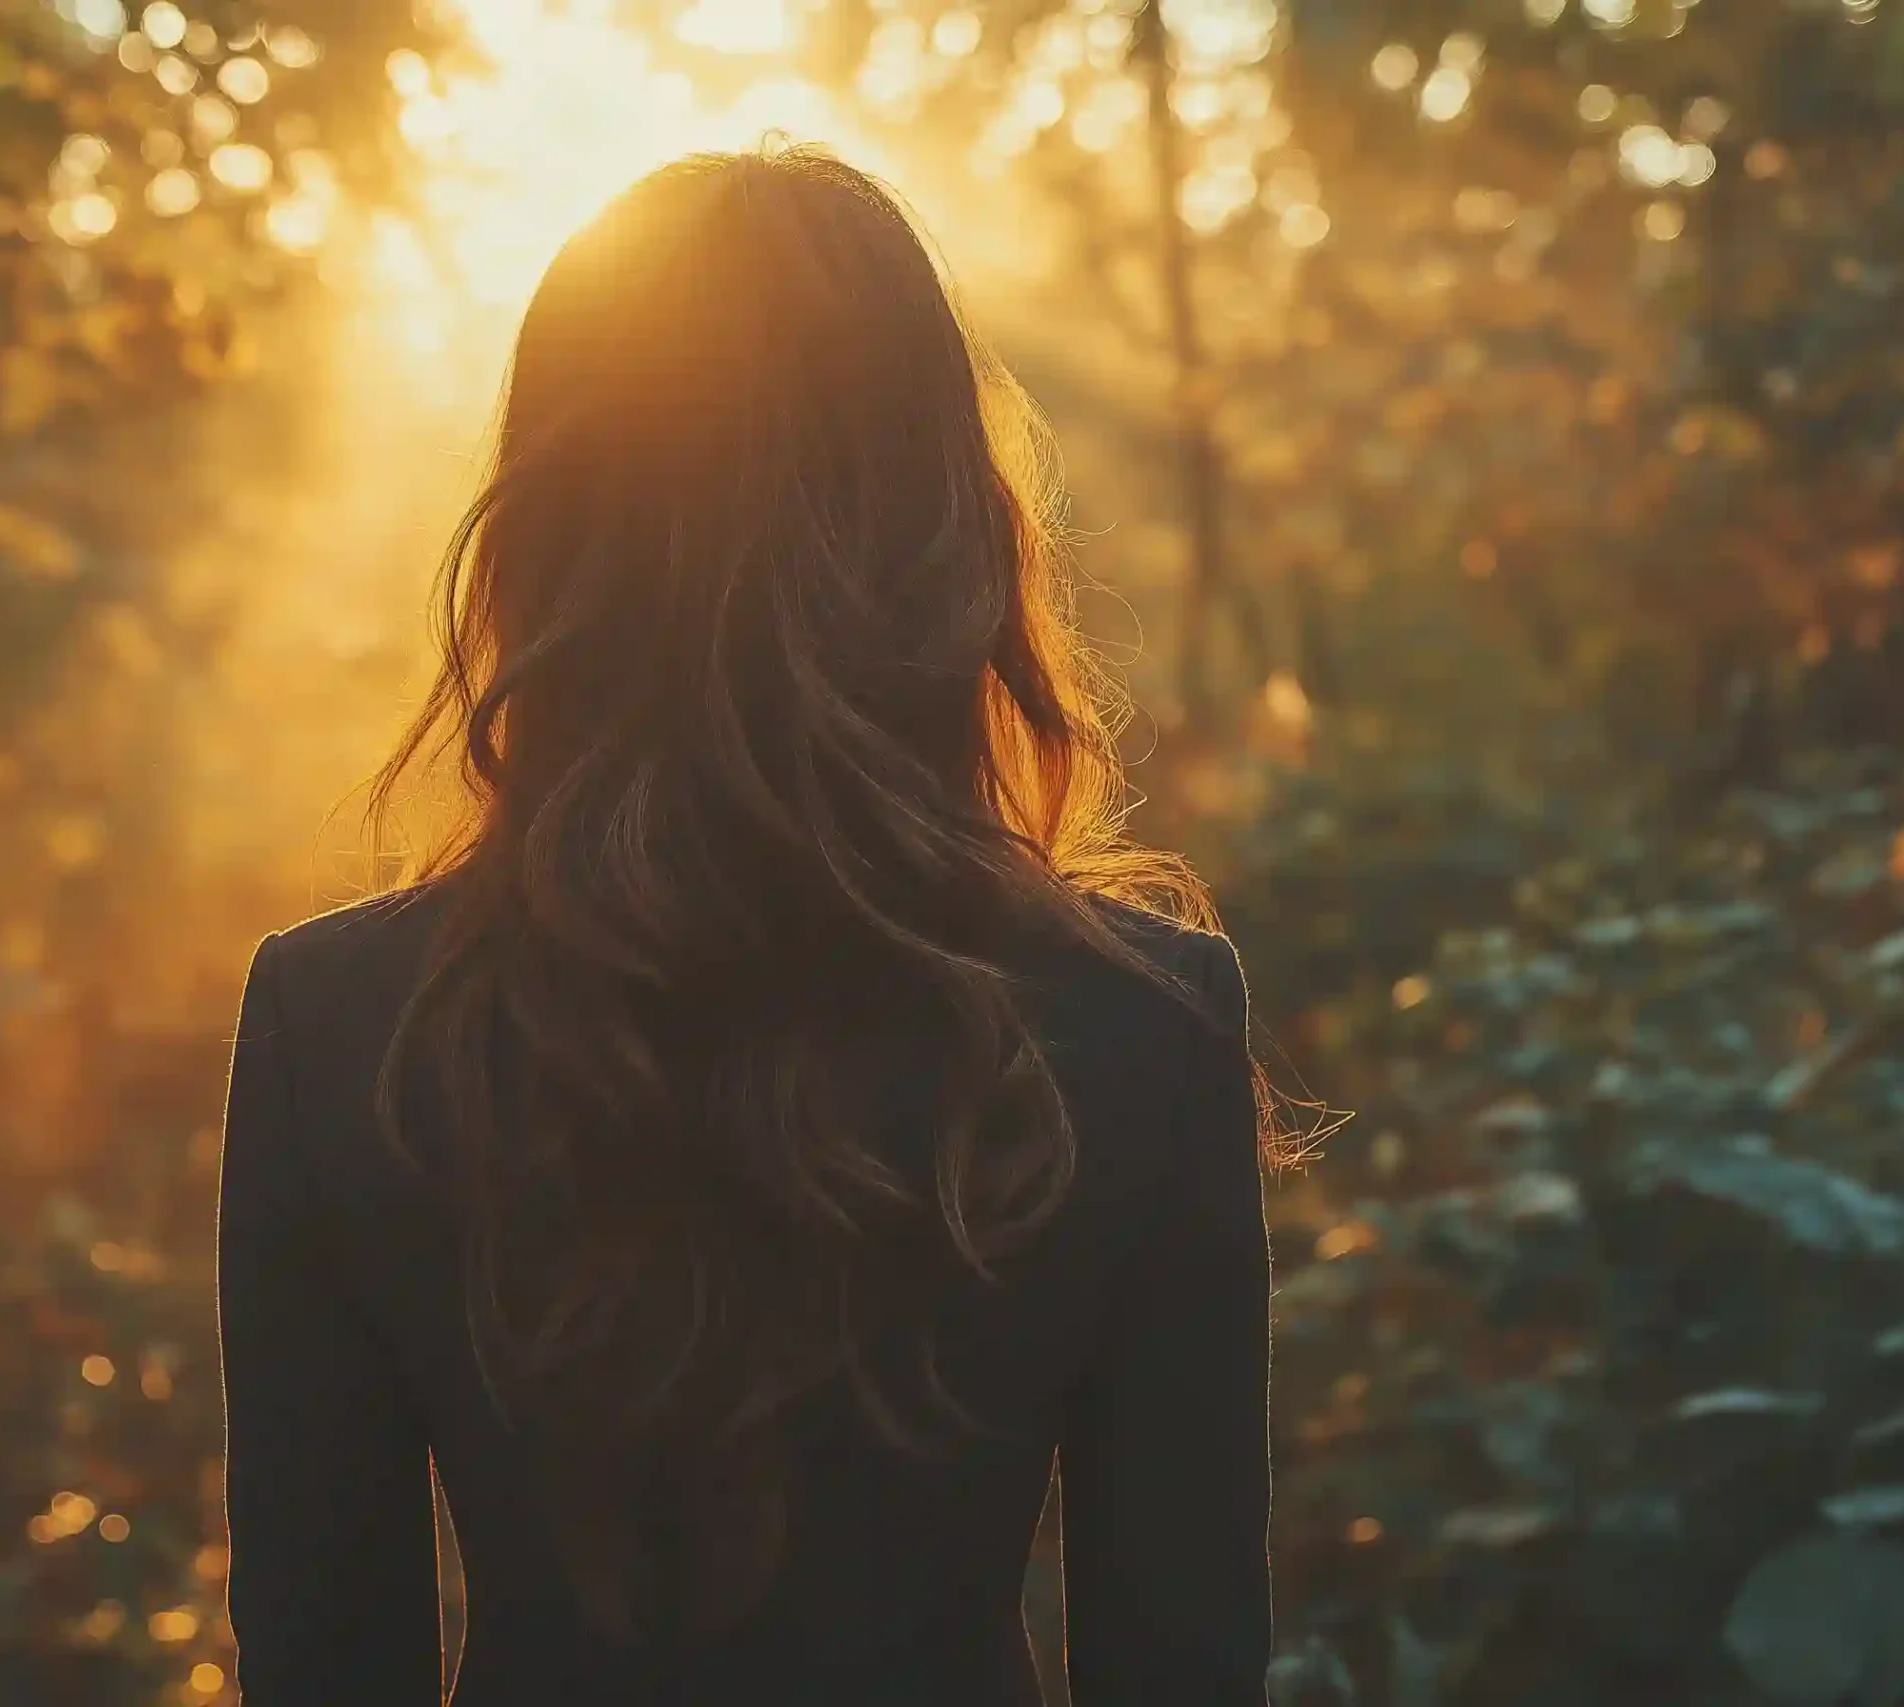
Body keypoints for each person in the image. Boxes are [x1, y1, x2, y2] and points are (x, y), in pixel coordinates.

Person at [217, 144, 1273, 1705]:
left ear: (552, 519)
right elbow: (1183, 1661)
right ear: (940, 521)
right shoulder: (1143, 1022)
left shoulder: (343, 1023)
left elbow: (321, 1661)